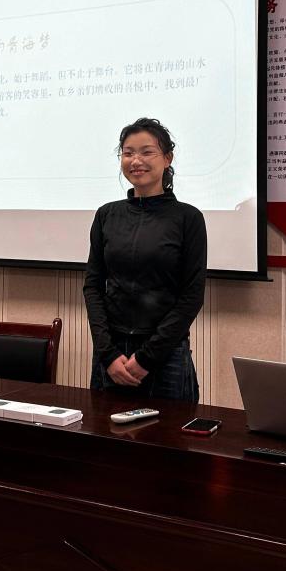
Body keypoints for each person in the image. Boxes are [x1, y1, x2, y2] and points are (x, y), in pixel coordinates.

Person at [83, 117, 207, 402]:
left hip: (165, 355)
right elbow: (93, 286)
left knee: (168, 431)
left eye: (147, 152)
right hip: (112, 354)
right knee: (102, 429)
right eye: (128, 153)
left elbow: (191, 296)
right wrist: (107, 353)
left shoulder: (188, 218)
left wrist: (146, 358)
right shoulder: (106, 215)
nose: (136, 160)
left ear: (167, 158)